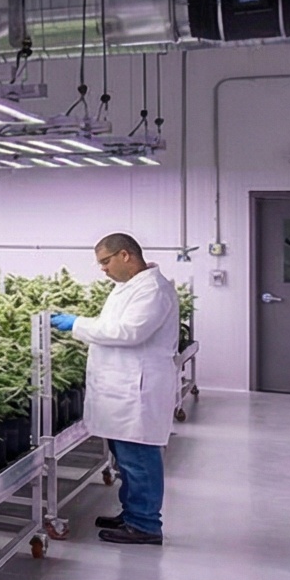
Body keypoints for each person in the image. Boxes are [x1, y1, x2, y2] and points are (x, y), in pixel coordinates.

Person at [49, 232, 180, 545]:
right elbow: (113, 328)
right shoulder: (128, 289)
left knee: (140, 459)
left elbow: (129, 332)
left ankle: (146, 525)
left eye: (105, 261)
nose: (103, 269)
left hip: (138, 389)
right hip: (123, 387)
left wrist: (77, 323)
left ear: (126, 255)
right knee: (126, 458)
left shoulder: (152, 290)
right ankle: (132, 513)